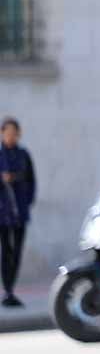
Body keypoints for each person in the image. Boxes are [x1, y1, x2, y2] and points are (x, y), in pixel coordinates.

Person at [0, 118, 34, 308]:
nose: (11, 136)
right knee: (6, 251)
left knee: (17, 252)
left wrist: (27, 203)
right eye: (7, 132)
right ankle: (8, 290)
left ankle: (11, 288)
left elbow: (32, 181)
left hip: (20, 212)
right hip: (3, 214)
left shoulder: (23, 155)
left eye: (14, 133)